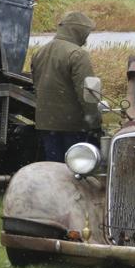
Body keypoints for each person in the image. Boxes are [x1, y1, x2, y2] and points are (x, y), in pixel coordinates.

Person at [31, 10, 100, 161]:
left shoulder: (39, 52)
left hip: (46, 123)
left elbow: (36, 86)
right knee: (76, 169)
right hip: (73, 126)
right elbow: (87, 93)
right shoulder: (77, 54)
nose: (86, 38)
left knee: (54, 169)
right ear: (78, 32)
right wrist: (94, 121)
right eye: (86, 34)